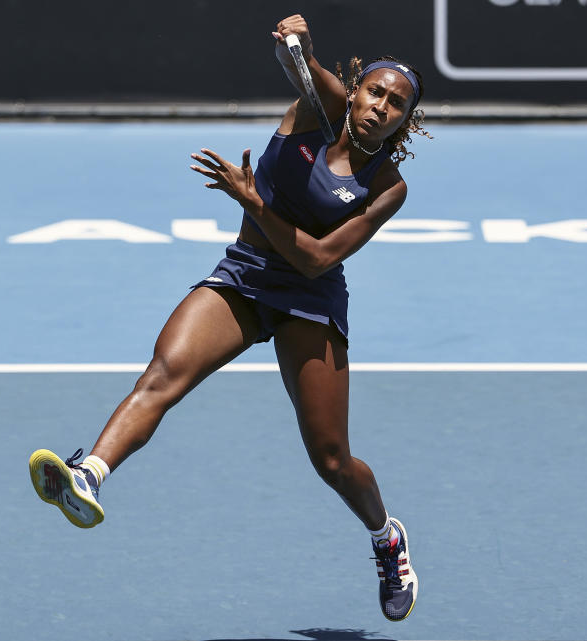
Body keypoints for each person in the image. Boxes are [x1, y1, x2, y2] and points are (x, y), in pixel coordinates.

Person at [28, 14, 430, 622]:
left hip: (310, 299)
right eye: (375, 91)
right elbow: (299, 62)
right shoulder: (319, 106)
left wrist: (255, 203)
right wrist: (296, 40)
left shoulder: (389, 188)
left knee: (331, 460)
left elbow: (318, 259)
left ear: (405, 119)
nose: (380, 106)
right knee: (164, 374)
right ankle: (90, 475)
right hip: (245, 275)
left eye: (396, 103)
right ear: (355, 91)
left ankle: (385, 537)